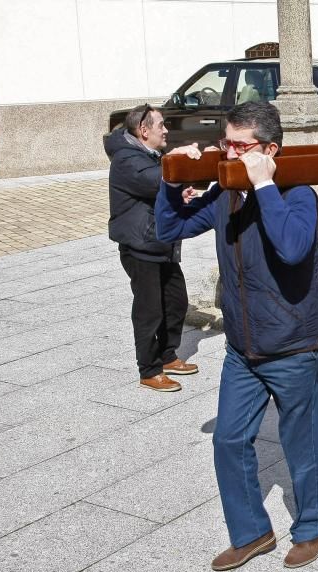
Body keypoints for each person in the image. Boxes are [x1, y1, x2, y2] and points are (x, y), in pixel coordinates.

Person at [155, 101, 318, 572]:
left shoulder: (297, 195)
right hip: (243, 347)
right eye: (225, 142)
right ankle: (252, 531)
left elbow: (292, 248)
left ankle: (313, 527)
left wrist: (264, 183)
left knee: (301, 444)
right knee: (229, 441)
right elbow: (167, 228)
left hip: (294, 345)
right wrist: (173, 181)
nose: (227, 152)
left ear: (270, 149)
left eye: (239, 145)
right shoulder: (224, 195)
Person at [105, 104, 198, 392]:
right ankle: (149, 369)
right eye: (161, 125)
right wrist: (176, 158)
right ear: (144, 131)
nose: (166, 130)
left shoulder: (148, 154)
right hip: (140, 244)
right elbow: (154, 181)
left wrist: (180, 194)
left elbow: (159, 190)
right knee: (149, 310)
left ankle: (168, 356)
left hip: (161, 242)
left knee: (176, 301)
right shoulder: (126, 158)